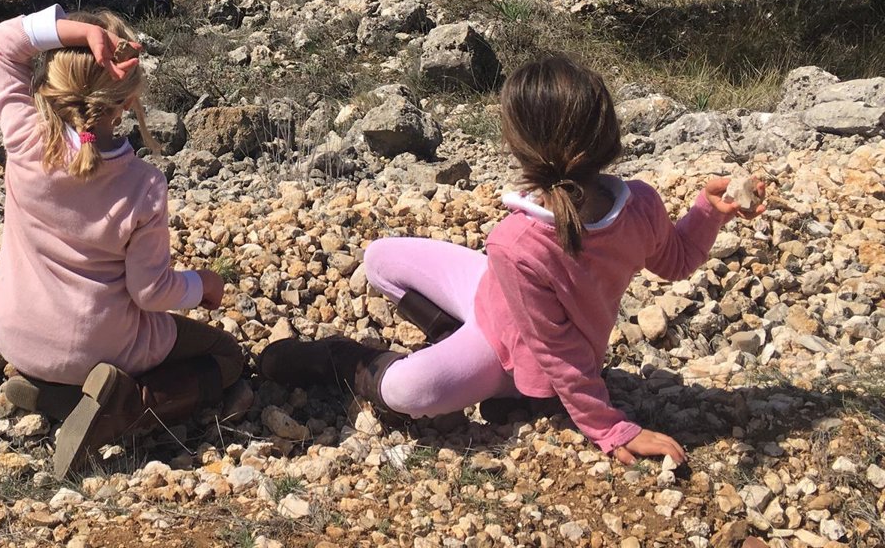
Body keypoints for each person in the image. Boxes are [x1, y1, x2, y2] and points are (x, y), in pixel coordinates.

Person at [259, 56, 765, 464]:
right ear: (607, 135)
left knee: (408, 391)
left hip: (513, 355)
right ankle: (447, 335)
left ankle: (344, 360)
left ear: (518, 147)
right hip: (493, 290)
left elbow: (559, 353)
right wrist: (707, 212)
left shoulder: (518, 241)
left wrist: (609, 427)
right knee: (378, 257)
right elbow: (677, 260)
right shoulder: (636, 204)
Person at [0, 4, 245, 477]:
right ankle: (126, 408)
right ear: (126, 100)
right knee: (226, 356)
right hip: (97, 345)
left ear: (53, 83)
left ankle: (57, 394)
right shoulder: (143, 185)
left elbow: (4, 42)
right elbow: (150, 293)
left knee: (74, 357)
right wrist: (202, 284)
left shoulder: (25, 142)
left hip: (15, 335)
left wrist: (78, 32)